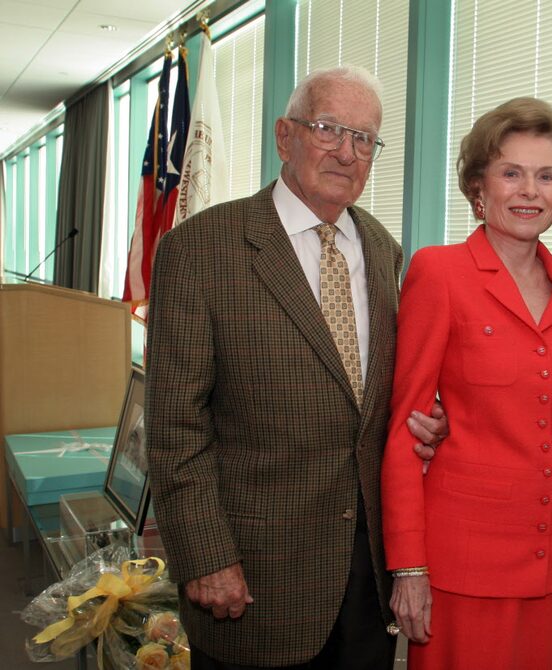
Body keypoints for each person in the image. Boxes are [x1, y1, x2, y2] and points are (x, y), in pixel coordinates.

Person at [145, 65, 447, 670]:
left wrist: (427, 420)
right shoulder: (200, 249)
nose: (347, 151)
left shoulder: (386, 251)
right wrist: (205, 555)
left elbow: (372, 397)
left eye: (365, 138)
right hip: (252, 578)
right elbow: (176, 427)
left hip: (363, 582)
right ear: (285, 137)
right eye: (329, 128)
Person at [381, 97, 552, 670]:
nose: (529, 191)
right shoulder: (440, 272)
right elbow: (406, 428)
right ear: (479, 186)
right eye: (512, 173)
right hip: (462, 562)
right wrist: (409, 567)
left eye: (546, 176)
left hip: (549, 558)